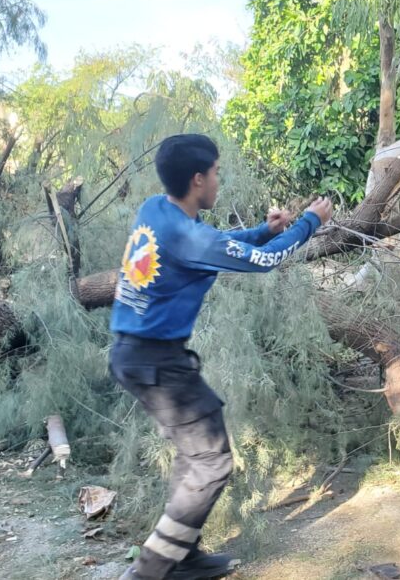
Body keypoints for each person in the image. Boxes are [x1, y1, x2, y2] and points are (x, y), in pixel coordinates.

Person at [110, 134, 333, 580]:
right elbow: (263, 262)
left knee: (194, 455)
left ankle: (183, 556)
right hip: (157, 362)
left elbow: (214, 246)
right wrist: (309, 221)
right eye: (215, 172)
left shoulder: (156, 208)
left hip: (136, 355)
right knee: (212, 461)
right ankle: (150, 571)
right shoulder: (185, 234)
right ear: (197, 179)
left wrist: (263, 230)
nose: (219, 179)